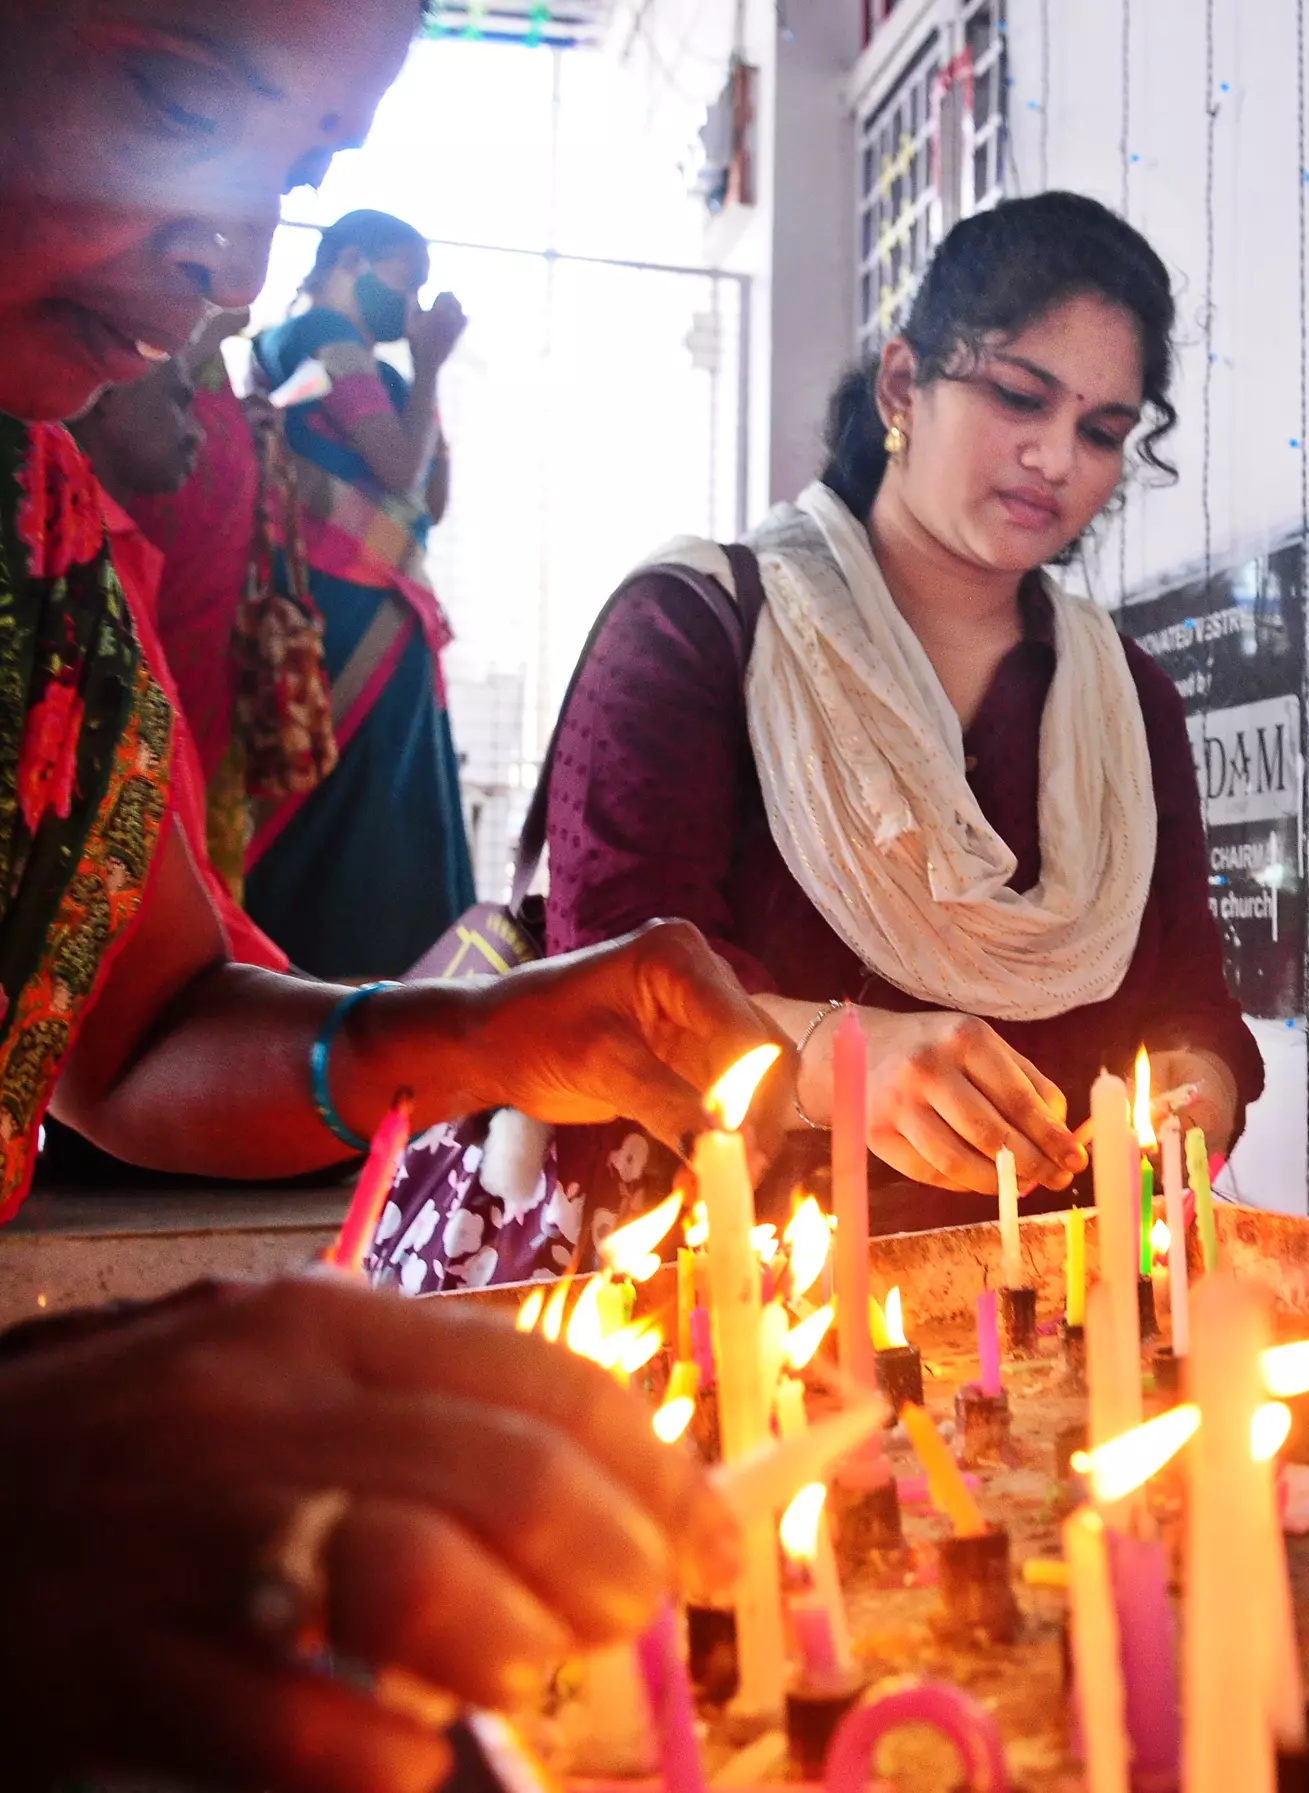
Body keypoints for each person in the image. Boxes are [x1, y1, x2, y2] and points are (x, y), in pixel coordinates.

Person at [0, 3, 788, 1785]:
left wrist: (490, 1029)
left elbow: (135, 1029)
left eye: (292, 172)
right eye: (179, 94)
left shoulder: (40, 545)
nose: (230, 251)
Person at [391, 193, 1266, 1285]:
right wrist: (840, 1058)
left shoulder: (1125, 700)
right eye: (1018, 397)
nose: (1055, 458)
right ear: (904, 384)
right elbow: (609, 981)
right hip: (723, 1284)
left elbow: (1193, 1000)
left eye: (1102, 431)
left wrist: (1190, 1089)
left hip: (1049, 1300)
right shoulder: (692, 628)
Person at [242, 208, 473, 979]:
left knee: (385, 822)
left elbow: (430, 500)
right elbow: (402, 467)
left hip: (386, 605)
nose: (412, 302)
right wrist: (432, 370)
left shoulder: (382, 371)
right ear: (347, 259)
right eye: (407, 279)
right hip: (345, 616)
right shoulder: (315, 340)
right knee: (355, 825)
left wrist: (424, 377)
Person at [67, 329, 288, 971]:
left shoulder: (118, 559)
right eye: (179, 403)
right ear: (106, 393)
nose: (196, 434)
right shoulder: (77, 577)